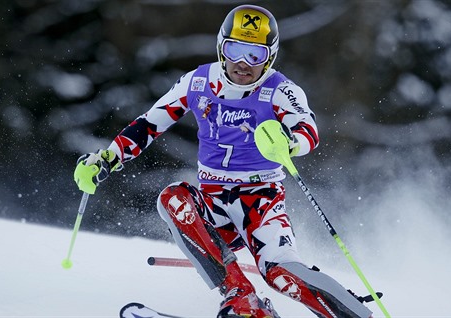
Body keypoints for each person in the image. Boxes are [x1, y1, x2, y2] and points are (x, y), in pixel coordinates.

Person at [74, 5, 374, 318]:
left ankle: (352, 314)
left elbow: (308, 129)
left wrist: (290, 141)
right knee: (173, 199)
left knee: (281, 274)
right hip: (213, 201)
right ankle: (242, 298)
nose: (243, 64)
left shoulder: (280, 89)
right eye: (235, 50)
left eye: (255, 55)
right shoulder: (198, 82)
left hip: (261, 201)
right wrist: (108, 158)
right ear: (221, 47)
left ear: (269, 58)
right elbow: (151, 123)